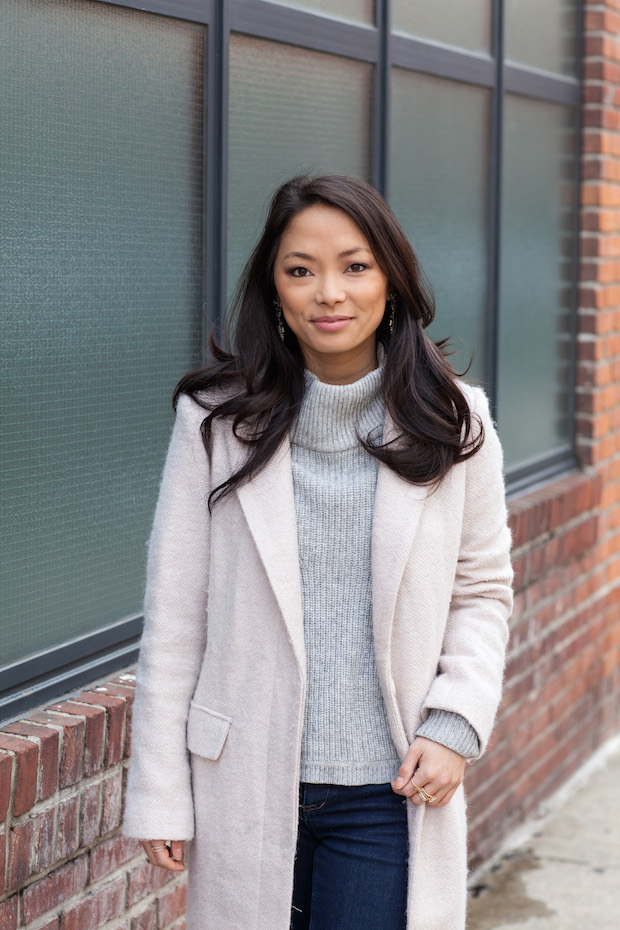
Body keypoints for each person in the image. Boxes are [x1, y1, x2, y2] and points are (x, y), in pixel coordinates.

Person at [123, 174, 513, 930]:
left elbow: (482, 590)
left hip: (388, 790)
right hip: (242, 782)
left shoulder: (454, 422)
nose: (328, 292)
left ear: (391, 281)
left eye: (355, 266)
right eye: (300, 270)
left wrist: (456, 722)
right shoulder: (213, 421)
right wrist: (161, 790)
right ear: (273, 289)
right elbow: (175, 616)